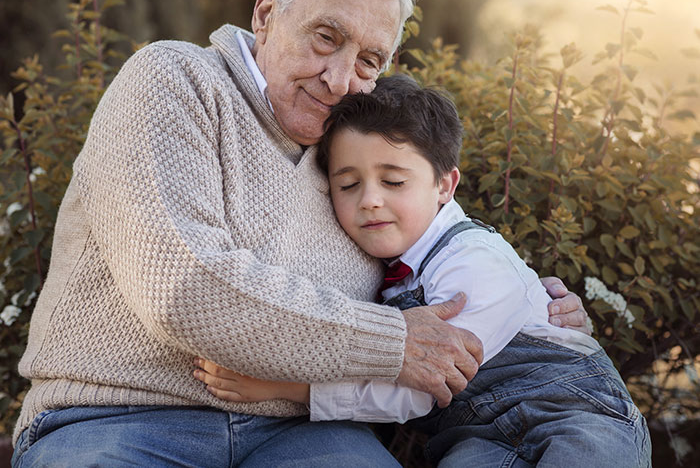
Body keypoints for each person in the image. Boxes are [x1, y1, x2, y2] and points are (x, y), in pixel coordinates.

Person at [12, 0, 588, 467]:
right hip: (119, 415)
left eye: (368, 61)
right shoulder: (175, 80)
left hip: (308, 433)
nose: (340, 80)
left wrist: (533, 307)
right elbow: (182, 288)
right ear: (266, 12)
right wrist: (393, 342)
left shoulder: (353, 153)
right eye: (326, 38)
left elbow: (437, 244)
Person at [196, 75, 651, 467]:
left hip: (575, 415)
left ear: (444, 186)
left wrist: (290, 389)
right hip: (478, 439)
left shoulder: (473, 261)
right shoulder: (384, 270)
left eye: (393, 181)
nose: (370, 199)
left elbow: (421, 386)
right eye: (348, 184)